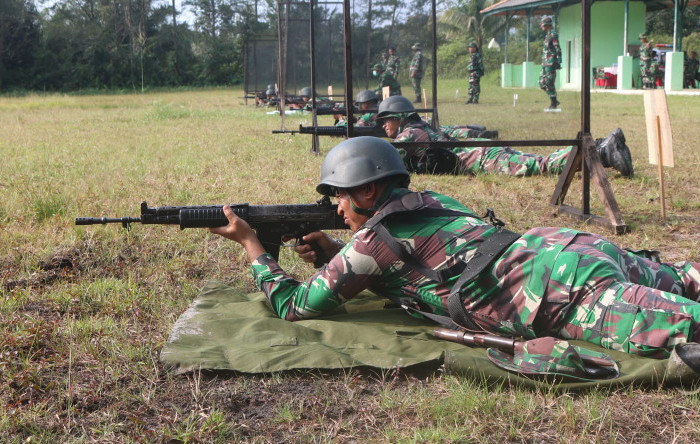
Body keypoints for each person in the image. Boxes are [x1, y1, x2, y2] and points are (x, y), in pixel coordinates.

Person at [209, 135, 700, 363]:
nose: (336, 206)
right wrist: (339, 248)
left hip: (560, 291)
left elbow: (295, 307)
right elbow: (430, 257)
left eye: (338, 194)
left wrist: (252, 245)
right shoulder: (432, 200)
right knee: (686, 277)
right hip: (567, 248)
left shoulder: (371, 243)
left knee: (688, 324)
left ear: (366, 193)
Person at [376, 96, 633, 177]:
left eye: (386, 119)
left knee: (539, 165)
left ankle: (601, 152)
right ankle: (602, 145)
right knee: (537, 158)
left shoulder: (409, 135)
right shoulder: (424, 127)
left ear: (399, 116)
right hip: (481, 149)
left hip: (478, 158)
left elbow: (386, 158)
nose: (384, 125)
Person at [539, 16, 562, 109]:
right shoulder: (547, 35)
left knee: (549, 82)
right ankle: (554, 100)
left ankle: (553, 102)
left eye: (542, 24)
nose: (541, 26)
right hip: (545, 63)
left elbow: (557, 48)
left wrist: (559, 61)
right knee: (541, 82)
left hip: (551, 63)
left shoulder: (553, 34)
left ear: (546, 25)